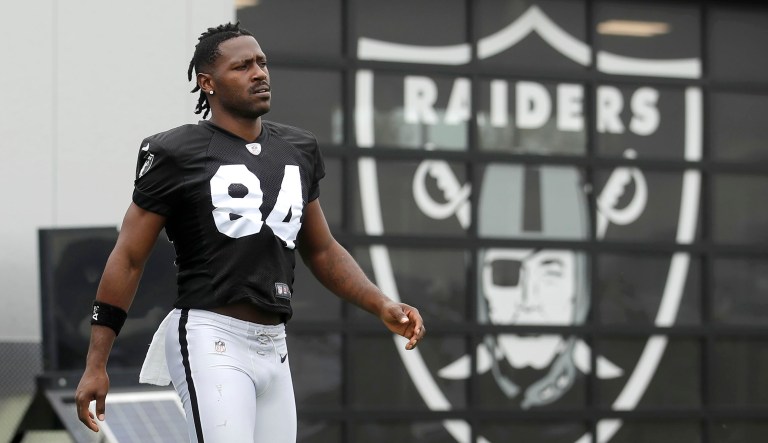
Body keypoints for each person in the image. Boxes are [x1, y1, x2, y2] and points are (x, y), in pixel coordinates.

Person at [74, 22, 425, 443]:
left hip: (273, 343)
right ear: (208, 84)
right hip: (210, 334)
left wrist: (381, 303)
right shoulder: (175, 151)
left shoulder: (297, 148)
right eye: (242, 67)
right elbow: (128, 258)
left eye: (261, 62)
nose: (259, 73)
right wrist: (97, 363)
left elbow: (324, 251)